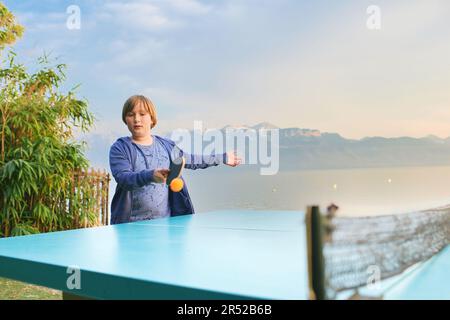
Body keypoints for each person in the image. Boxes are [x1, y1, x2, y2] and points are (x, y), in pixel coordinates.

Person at [109, 95, 241, 224]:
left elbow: (191, 159)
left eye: (142, 114)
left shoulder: (166, 146)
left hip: (166, 225)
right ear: (125, 119)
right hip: (129, 227)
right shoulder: (120, 148)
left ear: (152, 119)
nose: (137, 119)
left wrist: (222, 157)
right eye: (131, 114)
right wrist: (151, 176)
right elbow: (124, 178)